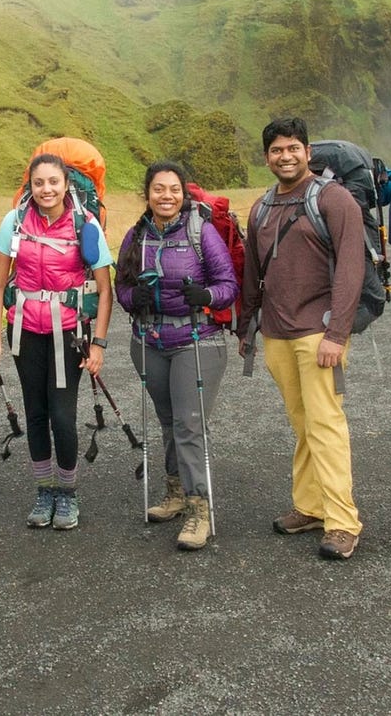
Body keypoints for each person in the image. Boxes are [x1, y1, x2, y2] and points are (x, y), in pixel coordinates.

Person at [238, 118, 366, 561]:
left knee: (326, 424)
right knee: (302, 423)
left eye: (293, 148)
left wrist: (338, 333)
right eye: (277, 150)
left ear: (308, 152)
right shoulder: (261, 207)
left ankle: (343, 521)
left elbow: (351, 268)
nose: (285, 156)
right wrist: (247, 324)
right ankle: (310, 506)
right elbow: (254, 271)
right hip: (275, 332)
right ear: (267, 157)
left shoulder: (334, 199)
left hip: (320, 334)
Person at [0, 153, 113, 531]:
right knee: (36, 414)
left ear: (66, 184)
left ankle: (68, 494)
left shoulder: (85, 224)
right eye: (38, 183)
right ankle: (44, 491)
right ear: (30, 186)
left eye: (53, 182)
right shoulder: (14, 222)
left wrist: (99, 344)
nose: (46, 189)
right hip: (24, 332)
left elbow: (104, 291)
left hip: (69, 334)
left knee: (62, 416)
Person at [115, 161, 239, 551]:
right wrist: (133, 297)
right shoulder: (136, 236)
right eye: (158, 189)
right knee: (169, 421)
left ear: (184, 194)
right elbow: (121, 285)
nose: (166, 196)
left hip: (197, 341)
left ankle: (199, 509)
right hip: (149, 340)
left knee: (189, 424)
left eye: (174, 190)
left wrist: (206, 297)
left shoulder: (200, 232)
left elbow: (227, 285)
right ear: (147, 193)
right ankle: (176, 493)